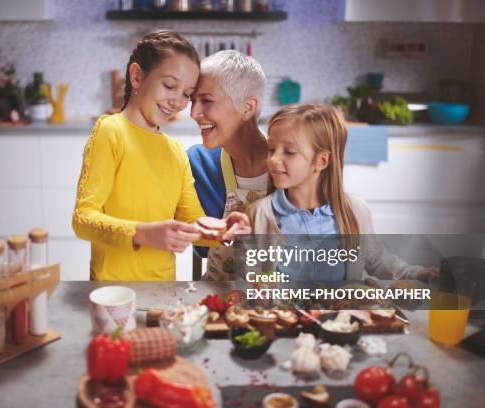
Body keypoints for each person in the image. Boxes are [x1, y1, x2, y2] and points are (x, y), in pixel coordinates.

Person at [72, 31, 249, 281]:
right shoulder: (111, 131)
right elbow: (83, 219)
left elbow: (192, 223)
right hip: (113, 291)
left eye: (187, 93)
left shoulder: (175, 151)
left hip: (165, 291)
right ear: (136, 76)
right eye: (169, 85)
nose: (177, 102)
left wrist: (223, 230)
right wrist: (143, 233)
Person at [247, 103, 436, 282]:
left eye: (289, 151)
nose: (273, 159)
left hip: (339, 316)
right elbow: (249, 275)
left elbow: (377, 259)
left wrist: (417, 273)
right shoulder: (259, 214)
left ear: (322, 161)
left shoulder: (354, 211)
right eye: (271, 150)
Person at [188, 50, 272, 280]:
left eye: (206, 100)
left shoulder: (291, 161)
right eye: (192, 101)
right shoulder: (197, 163)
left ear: (247, 107)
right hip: (219, 298)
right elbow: (202, 249)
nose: (193, 113)